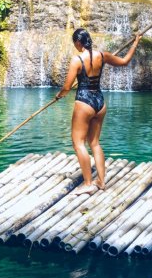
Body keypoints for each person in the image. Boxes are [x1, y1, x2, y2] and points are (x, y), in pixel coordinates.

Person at [54, 27, 143, 194]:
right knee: (94, 142)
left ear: (78, 42)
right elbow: (124, 62)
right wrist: (135, 43)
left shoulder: (77, 60)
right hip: (99, 102)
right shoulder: (102, 55)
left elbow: (67, 87)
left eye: (75, 43)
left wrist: (59, 96)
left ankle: (88, 184)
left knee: (78, 143)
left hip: (84, 102)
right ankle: (101, 182)